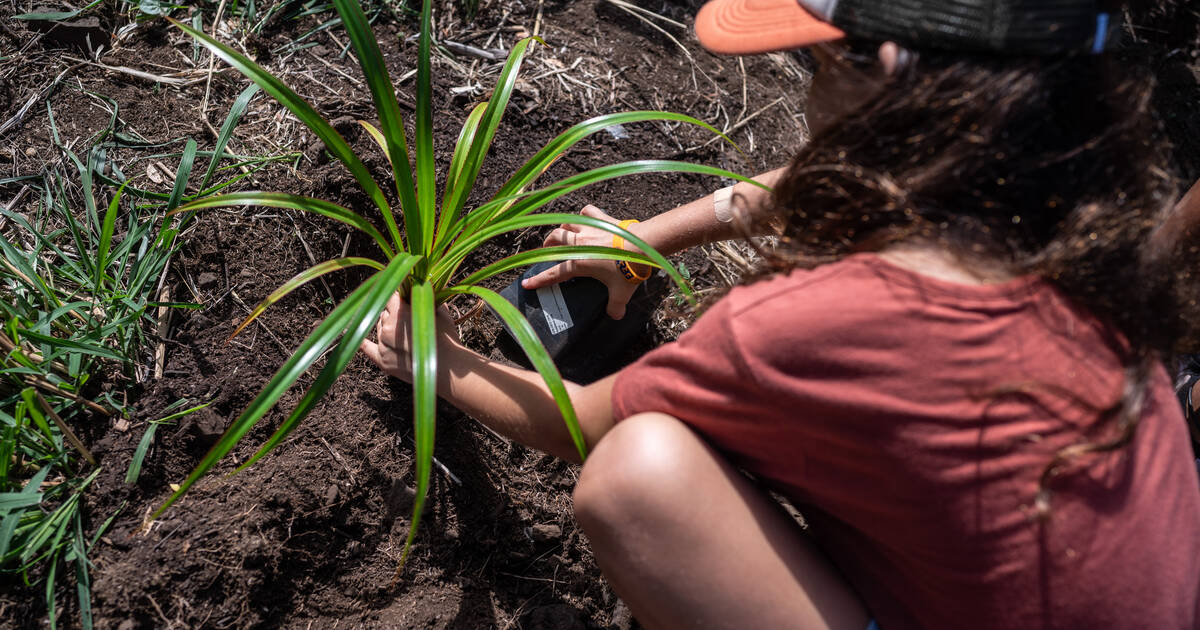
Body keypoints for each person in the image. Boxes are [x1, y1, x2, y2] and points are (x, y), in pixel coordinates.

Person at [362, 1, 1200, 628]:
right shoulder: (1085, 236)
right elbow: (818, 177)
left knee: (640, 475)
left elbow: (579, 422)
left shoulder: (826, 324)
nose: (805, 101)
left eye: (819, 67)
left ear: (894, 75)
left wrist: (433, 356)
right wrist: (643, 242)